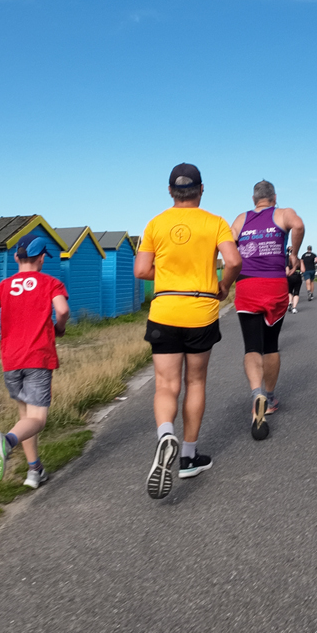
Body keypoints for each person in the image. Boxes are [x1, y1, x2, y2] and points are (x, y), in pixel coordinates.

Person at [135, 163, 243, 499]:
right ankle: (188, 456)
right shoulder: (215, 222)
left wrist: (167, 275)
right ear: (201, 189)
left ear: (170, 191)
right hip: (201, 310)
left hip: (165, 308)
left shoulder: (155, 223)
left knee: (167, 384)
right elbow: (234, 261)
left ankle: (166, 433)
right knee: (195, 381)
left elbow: (141, 270)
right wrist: (222, 285)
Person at [0, 233, 70, 489]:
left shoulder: (2, 286)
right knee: (38, 419)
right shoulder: (50, 283)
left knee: (25, 416)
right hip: (38, 358)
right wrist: (59, 328)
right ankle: (6, 442)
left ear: (15, 257)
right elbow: (62, 310)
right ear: (42, 258)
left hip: (11, 359)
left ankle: (35, 471)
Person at [231, 181, 304, 436]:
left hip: (247, 285)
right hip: (274, 285)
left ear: (254, 199)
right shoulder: (283, 213)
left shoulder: (242, 219)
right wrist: (293, 253)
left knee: (252, 346)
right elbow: (299, 225)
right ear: (274, 197)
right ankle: (270, 399)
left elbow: (229, 245)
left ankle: (256, 395)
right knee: (270, 344)